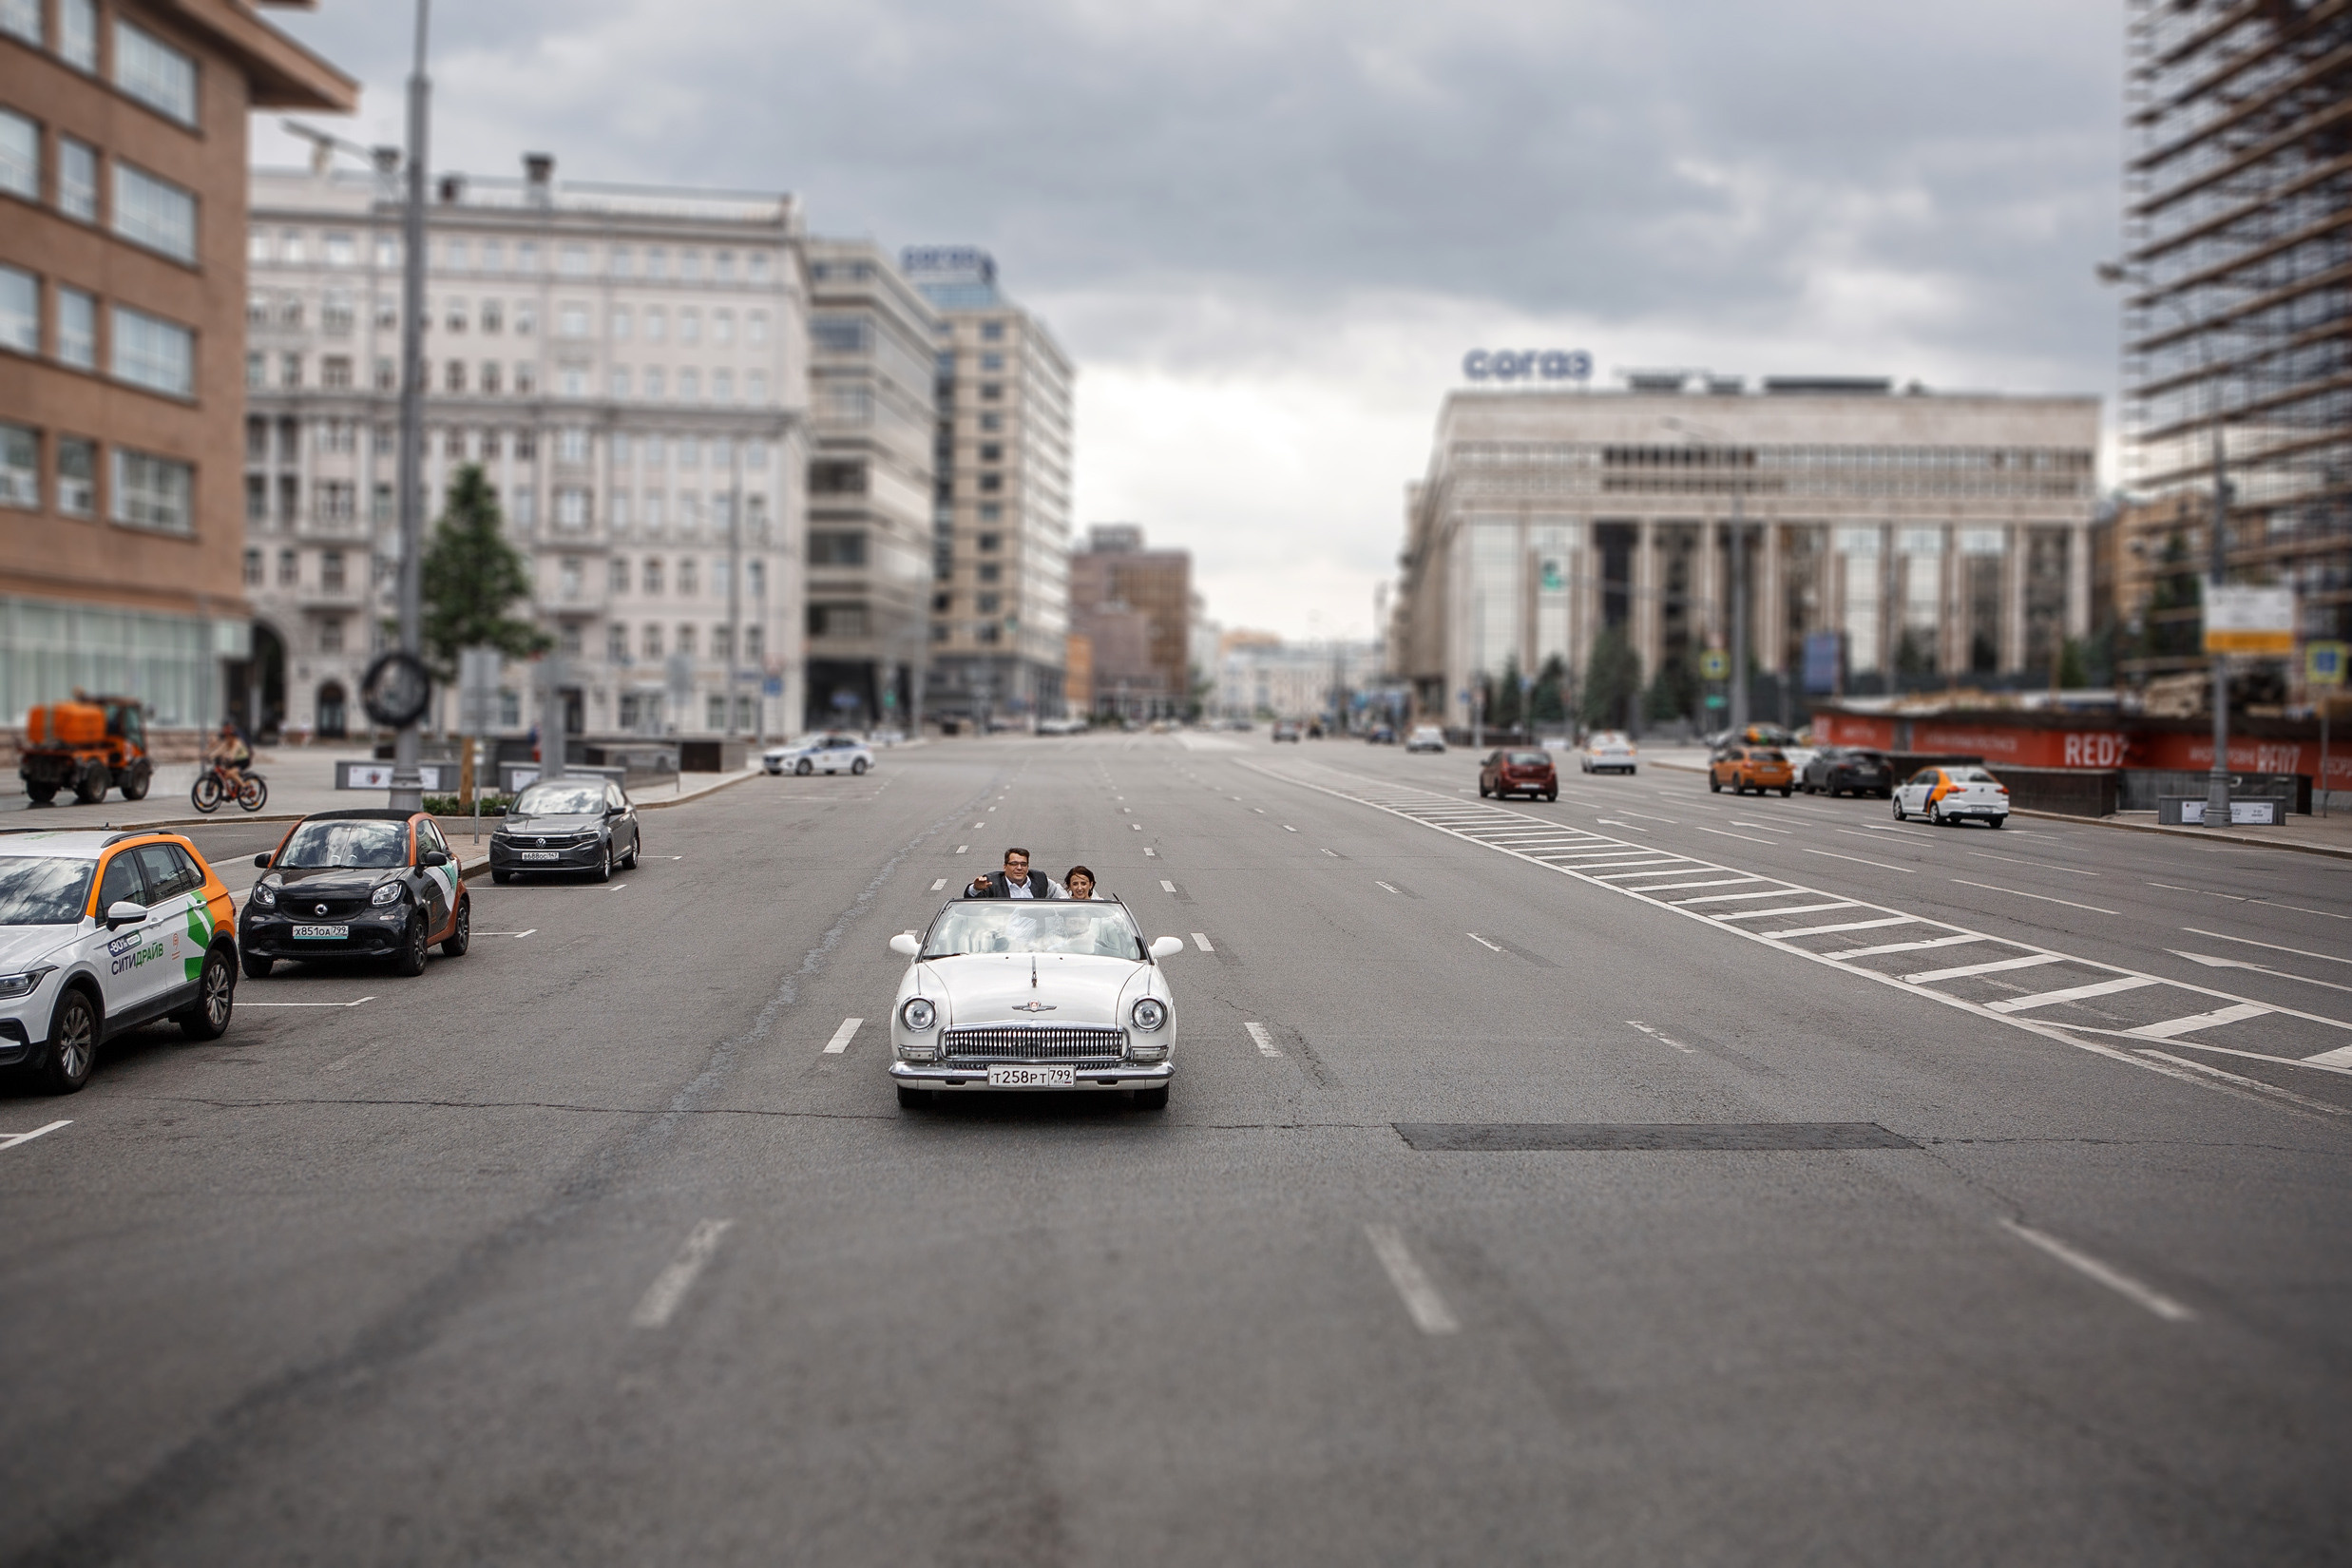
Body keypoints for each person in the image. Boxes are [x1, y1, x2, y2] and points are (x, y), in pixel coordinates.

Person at [966, 847, 1061, 900]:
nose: (1019, 868)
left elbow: (1061, 895)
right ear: (1005, 867)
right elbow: (971, 901)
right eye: (1014, 864)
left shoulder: (1039, 878)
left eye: (1023, 864)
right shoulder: (992, 883)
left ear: (1028, 867)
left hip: (1036, 934)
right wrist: (975, 888)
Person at [205, 720, 251, 794]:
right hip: (234, 762)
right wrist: (210, 756)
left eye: (229, 736)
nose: (227, 738)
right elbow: (220, 750)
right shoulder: (227, 742)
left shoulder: (237, 742)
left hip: (243, 761)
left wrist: (229, 756)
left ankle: (245, 788)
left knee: (231, 773)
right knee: (224, 775)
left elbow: (234, 751)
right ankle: (231, 791)